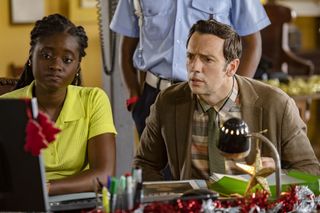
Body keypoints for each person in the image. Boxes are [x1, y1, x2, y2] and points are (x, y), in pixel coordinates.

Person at [133, 19, 320, 181]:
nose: (194, 67)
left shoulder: (277, 104)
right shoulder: (168, 102)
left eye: (207, 60)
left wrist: (277, 173)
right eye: (190, 56)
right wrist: (168, 201)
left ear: (231, 67)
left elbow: (311, 172)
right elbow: (144, 164)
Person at [110, 0, 271, 136]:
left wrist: (233, 98)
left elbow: (253, 44)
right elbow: (126, 47)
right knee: (154, 169)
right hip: (153, 98)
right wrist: (134, 96)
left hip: (211, 96)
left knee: (211, 169)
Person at [1, 14, 117, 195]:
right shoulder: (6, 106)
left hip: (79, 201)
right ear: (31, 56)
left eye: (67, 59)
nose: (56, 65)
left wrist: (47, 188)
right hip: (24, 201)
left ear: (78, 66)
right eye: (46, 55)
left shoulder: (94, 100)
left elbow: (103, 175)